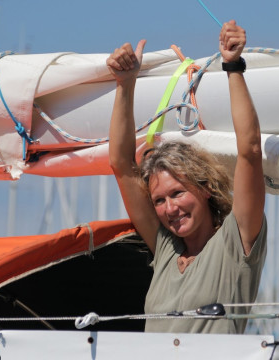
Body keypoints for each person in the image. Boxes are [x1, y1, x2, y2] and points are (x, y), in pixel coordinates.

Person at [107, 20, 266, 334]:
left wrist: (233, 66)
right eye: (159, 200)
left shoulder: (236, 242)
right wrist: (125, 83)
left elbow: (249, 149)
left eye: (177, 193)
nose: (169, 208)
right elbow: (121, 165)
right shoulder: (166, 249)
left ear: (205, 189)